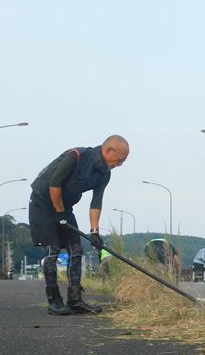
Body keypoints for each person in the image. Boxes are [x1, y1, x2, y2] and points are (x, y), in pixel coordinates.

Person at [28, 135, 129, 315]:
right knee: (53, 250)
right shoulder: (77, 155)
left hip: (64, 206)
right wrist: (59, 213)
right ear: (108, 150)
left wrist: (94, 232)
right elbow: (54, 183)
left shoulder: (105, 174)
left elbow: (96, 202)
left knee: (76, 249)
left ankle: (75, 300)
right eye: (120, 160)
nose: (119, 165)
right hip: (42, 202)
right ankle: (54, 301)